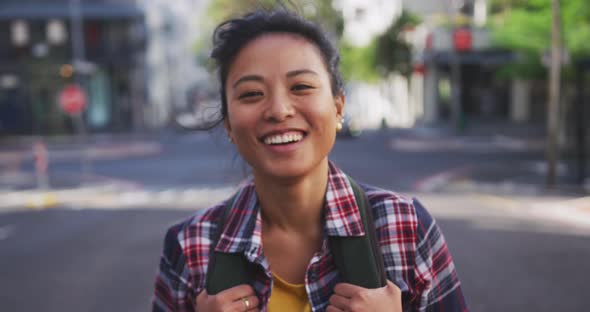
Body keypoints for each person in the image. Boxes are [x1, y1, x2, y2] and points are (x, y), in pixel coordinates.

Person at [152, 9, 468, 312]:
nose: (278, 110)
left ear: (339, 108)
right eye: (251, 94)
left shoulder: (406, 228)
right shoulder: (190, 246)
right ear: (229, 125)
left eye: (301, 87)